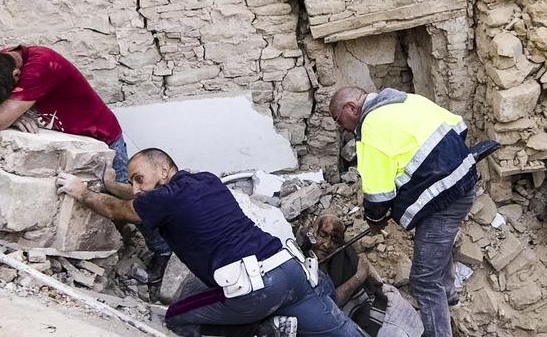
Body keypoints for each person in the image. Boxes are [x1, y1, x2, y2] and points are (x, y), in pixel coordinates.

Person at [56, 148, 367, 337]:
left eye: (139, 178)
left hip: (255, 289)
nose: (136, 187)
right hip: (291, 269)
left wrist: (82, 192)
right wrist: (114, 184)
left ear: (164, 171)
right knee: (339, 332)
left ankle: (262, 329)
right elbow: (143, 198)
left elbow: (115, 209)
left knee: (178, 316)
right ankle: (278, 321)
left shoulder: (164, 199)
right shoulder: (204, 179)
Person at [0, 45, 171, 283]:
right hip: (62, 143)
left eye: (7, 99)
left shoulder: (42, 65)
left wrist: (0, 112)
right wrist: (4, 109)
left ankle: (162, 251)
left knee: (134, 202)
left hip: (101, 139)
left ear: (17, 77)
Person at [328, 86, 477, 337]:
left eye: (338, 120)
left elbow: (378, 194)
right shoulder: (406, 100)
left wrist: (375, 220)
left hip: (443, 199)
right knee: (435, 249)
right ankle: (449, 297)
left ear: (352, 108)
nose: (341, 127)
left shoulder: (370, 127)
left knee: (424, 281)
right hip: (465, 178)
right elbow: (459, 127)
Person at [306, 212, 423, 337]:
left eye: (335, 240)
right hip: (328, 317)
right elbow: (328, 303)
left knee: (403, 315)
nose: (326, 245)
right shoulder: (298, 256)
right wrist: (359, 277)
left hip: (369, 303)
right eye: (322, 235)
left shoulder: (344, 256)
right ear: (312, 232)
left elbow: (372, 283)